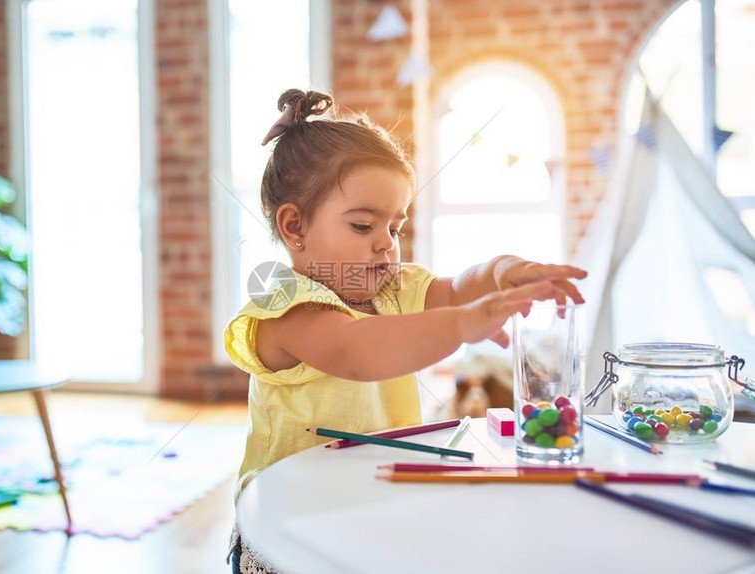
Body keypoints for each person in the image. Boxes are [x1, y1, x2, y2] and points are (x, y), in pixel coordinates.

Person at [224, 89, 587, 573]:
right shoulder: (286, 307)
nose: (385, 245)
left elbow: (459, 286)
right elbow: (359, 350)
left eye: (395, 227)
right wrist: (464, 323)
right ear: (295, 228)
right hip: (287, 529)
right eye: (362, 226)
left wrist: (504, 270)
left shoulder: (394, 290)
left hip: (370, 505)